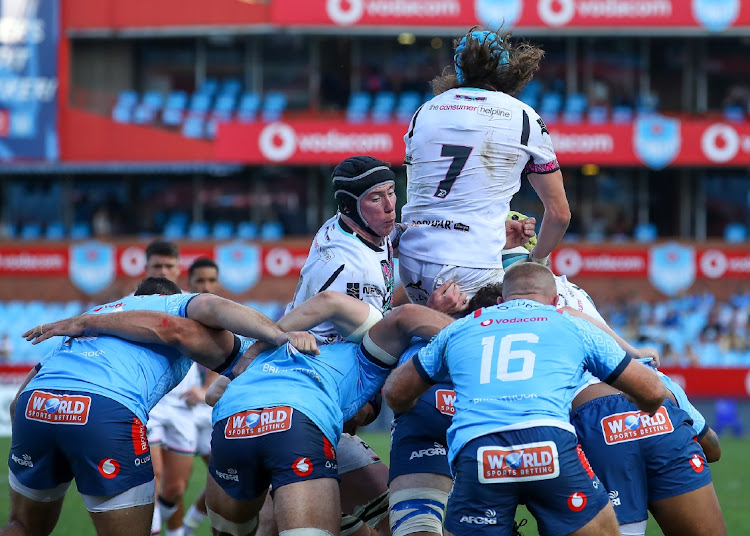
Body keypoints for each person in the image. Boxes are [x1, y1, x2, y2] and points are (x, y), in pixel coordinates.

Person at [5, 277, 317, 536]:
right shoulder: (168, 305)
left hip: (37, 404)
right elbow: (211, 309)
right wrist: (279, 334)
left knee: (22, 526)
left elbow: (17, 405)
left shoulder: (86, 322)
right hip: (103, 408)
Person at [383, 263, 667, 536]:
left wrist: (407, 404)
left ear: (499, 300)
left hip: (479, 452)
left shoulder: (460, 328)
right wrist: (646, 408)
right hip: (549, 445)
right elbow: (653, 391)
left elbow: (395, 393)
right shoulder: (571, 323)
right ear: (556, 300)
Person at [204, 290, 455, 536]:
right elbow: (395, 314)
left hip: (235, 424)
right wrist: (472, 335)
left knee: (240, 529)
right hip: (298, 424)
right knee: (399, 518)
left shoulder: (280, 353)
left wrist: (256, 351)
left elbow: (213, 395)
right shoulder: (366, 354)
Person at [398, 27, 570, 306]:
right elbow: (560, 214)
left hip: (412, 262)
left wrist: (494, 230)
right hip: (473, 266)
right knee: (566, 302)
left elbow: (440, 197)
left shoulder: (424, 111)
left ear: (458, 69)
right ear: (507, 70)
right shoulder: (525, 116)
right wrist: (537, 260)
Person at [182, 258, 222, 536]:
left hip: (208, 409)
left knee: (222, 479)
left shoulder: (225, 316)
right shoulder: (178, 314)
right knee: (171, 485)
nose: (206, 286)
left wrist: (205, 388)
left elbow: (226, 361)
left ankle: (186, 527)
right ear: (190, 283)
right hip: (177, 409)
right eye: (200, 281)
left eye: (211, 280)